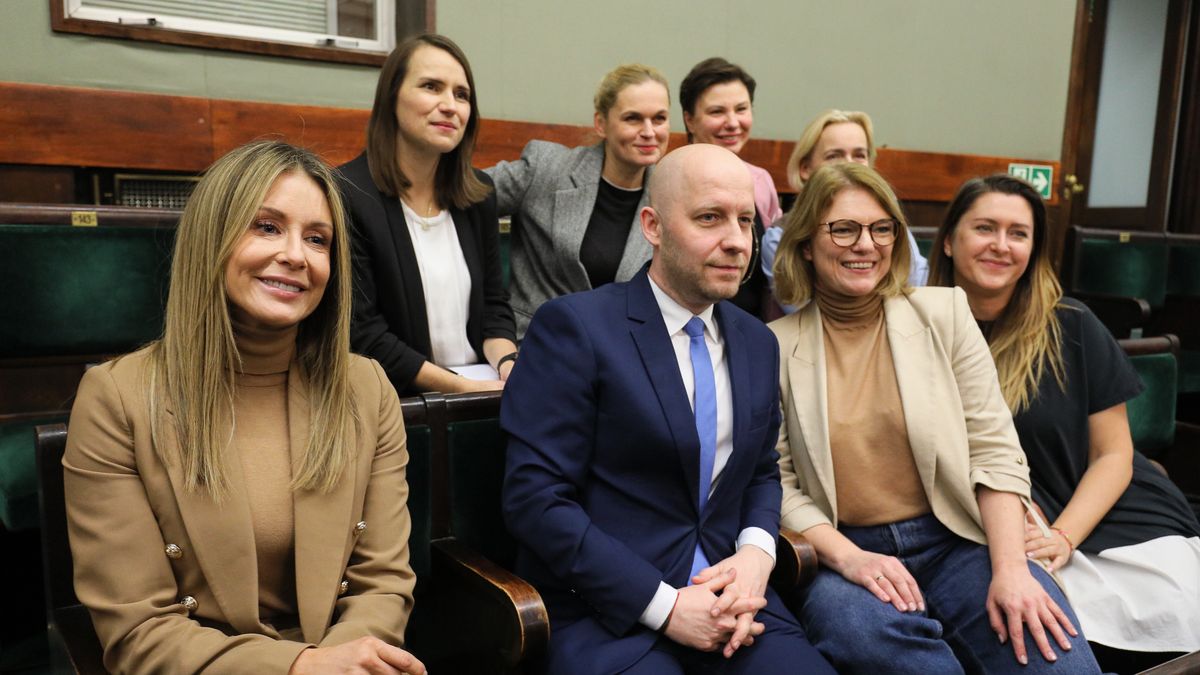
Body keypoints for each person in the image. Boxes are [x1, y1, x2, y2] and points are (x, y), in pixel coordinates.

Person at [63, 141, 425, 674]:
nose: (297, 256)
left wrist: (342, 664)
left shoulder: (366, 389)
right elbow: (140, 632)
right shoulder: (117, 399)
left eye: (318, 239)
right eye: (267, 226)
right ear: (213, 237)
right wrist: (299, 667)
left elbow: (384, 582)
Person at [501, 144, 834, 674]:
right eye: (709, 218)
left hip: (735, 603)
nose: (735, 241)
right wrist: (667, 606)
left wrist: (755, 555)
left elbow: (761, 472)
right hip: (611, 613)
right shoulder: (577, 328)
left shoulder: (755, 341)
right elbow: (535, 501)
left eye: (745, 221)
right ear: (652, 227)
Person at [770, 162, 1100, 673]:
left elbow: (994, 448)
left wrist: (1011, 569)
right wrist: (850, 559)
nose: (866, 244)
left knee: (1054, 657)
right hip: (844, 552)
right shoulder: (773, 347)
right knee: (883, 647)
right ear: (806, 244)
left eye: (882, 229)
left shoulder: (944, 313)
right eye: (843, 228)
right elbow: (781, 483)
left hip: (955, 539)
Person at [930, 174, 1200, 666]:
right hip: (1002, 530)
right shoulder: (914, 331)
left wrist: (1063, 537)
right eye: (985, 228)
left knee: (1162, 630)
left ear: (1034, 250)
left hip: (1105, 516)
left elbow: (1114, 454)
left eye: (1018, 233)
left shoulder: (1072, 325)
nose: (1001, 245)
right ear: (948, 240)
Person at [342, 33, 516, 395]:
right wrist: (461, 388)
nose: (450, 105)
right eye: (431, 87)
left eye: (461, 94)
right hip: (394, 403)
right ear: (392, 97)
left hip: (480, 393)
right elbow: (364, 333)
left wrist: (509, 365)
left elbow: (493, 307)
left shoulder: (479, 194)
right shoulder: (347, 193)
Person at [487, 64, 669, 337]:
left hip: (621, 355)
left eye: (659, 118)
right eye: (633, 118)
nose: (649, 131)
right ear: (601, 124)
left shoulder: (669, 196)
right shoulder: (546, 168)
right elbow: (463, 192)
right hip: (537, 343)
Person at [762, 109, 929, 310]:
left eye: (859, 155)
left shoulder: (889, 219)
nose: (849, 164)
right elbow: (798, 306)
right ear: (805, 168)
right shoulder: (780, 235)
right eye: (835, 156)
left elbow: (917, 287)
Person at [680, 56, 777, 317]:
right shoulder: (671, 181)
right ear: (689, 120)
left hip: (750, 328)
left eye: (741, 109)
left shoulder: (761, 181)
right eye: (717, 111)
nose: (733, 123)